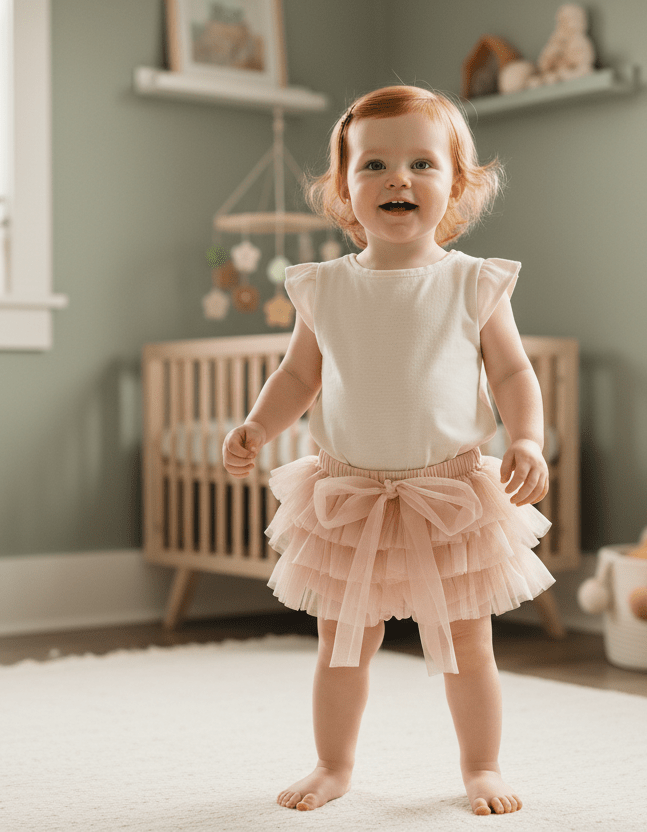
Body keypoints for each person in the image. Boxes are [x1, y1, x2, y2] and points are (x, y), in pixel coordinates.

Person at [222, 85, 555, 817]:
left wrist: (525, 436)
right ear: (343, 191)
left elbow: (511, 372)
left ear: (456, 187)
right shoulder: (325, 288)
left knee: (469, 645)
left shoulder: (473, 282)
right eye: (373, 165)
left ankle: (483, 765)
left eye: (420, 164)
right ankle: (333, 764)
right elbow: (299, 375)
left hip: (451, 493)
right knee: (343, 645)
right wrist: (257, 424)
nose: (396, 179)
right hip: (348, 492)